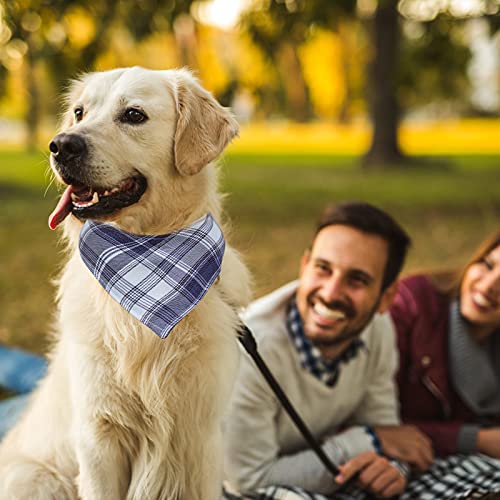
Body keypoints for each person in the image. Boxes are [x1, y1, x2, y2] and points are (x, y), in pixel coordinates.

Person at [223, 201, 413, 499]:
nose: (331, 293)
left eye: (357, 280)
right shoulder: (246, 351)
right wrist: (365, 443)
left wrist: (391, 469)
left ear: (386, 298)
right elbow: (247, 481)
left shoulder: (378, 328)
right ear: (305, 265)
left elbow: (387, 433)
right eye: (323, 269)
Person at [388, 230, 500, 494]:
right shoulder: (411, 304)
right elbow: (375, 421)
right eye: (488, 265)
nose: (488, 287)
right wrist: (477, 440)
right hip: (393, 463)